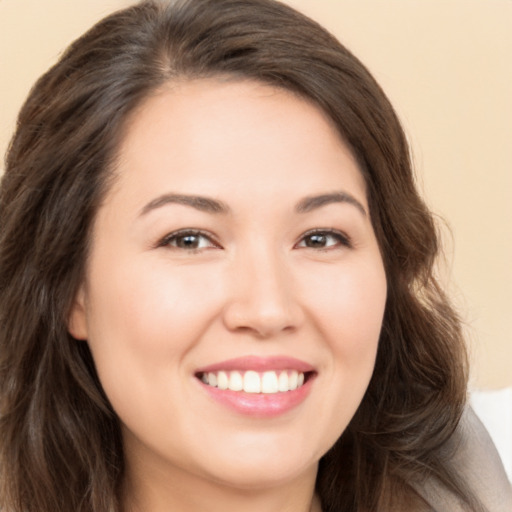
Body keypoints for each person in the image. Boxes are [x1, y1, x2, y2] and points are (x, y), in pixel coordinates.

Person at [0, 0, 510, 511]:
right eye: (189, 239)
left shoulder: (473, 487)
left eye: (320, 238)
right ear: (71, 288)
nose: (268, 309)